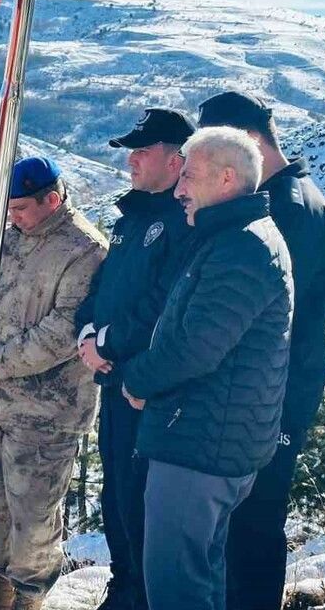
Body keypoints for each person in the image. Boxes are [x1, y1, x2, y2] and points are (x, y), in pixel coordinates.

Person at [116, 127, 293, 610]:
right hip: (208, 436)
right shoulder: (229, 238)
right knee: (200, 579)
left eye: (189, 176)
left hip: (199, 445)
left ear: (227, 179)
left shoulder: (242, 249)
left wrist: (135, 378)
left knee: (176, 585)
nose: (179, 190)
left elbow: (197, 348)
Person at [197, 92, 325, 610]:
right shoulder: (300, 195)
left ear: (248, 143)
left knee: (255, 521)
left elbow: (269, 313)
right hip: (281, 382)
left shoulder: (285, 208)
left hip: (275, 389)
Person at [0, 157, 107, 610]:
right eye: (9, 208)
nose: (13, 216)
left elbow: (66, 329)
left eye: (22, 207)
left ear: (53, 199)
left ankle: (29, 599)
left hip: (46, 413)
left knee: (32, 519)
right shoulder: (8, 242)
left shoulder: (84, 250)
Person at [75, 108, 196, 610]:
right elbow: (101, 287)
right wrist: (87, 331)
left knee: (143, 496)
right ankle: (123, 585)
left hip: (148, 384)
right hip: (112, 378)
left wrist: (107, 342)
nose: (131, 161)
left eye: (142, 151)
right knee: (117, 493)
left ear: (175, 161)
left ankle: (143, 595)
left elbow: (165, 302)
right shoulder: (132, 217)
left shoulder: (182, 220)